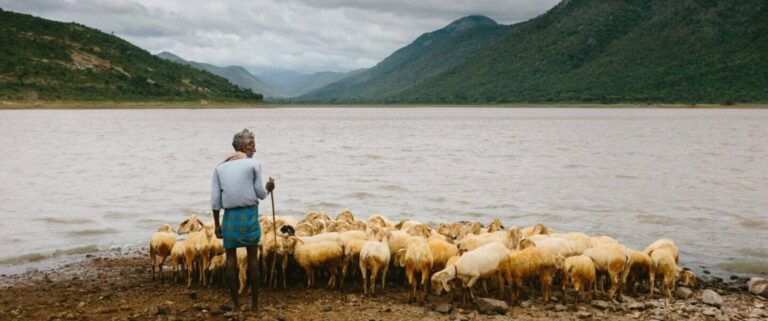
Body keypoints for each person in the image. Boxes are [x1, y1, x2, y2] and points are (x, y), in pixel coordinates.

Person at [211, 129, 275, 314]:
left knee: (230, 259)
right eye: (252, 145)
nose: (255, 149)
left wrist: (217, 224)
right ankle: (255, 307)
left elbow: (215, 201)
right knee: (253, 260)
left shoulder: (219, 168)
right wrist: (269, 188)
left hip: (229, 217)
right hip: (249, 215)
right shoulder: (253, 164)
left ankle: (237, 305)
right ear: (244, 147)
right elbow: (261, 194)